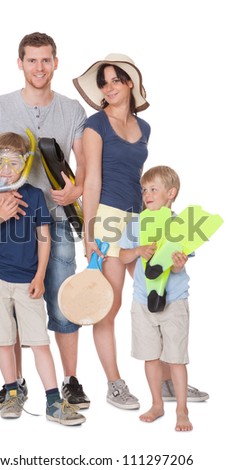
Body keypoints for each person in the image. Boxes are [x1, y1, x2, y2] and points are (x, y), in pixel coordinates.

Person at [73, 54, 209, 408]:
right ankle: (115, 384)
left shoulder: (143, 127)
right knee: (111, 304)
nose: (109, 87)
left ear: (130, 83)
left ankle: (167, 380)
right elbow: (92, 181)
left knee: (156, 290)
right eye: (103, 82)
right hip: (107, 219)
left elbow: (139, 178)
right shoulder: (95, 124)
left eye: (115, 79)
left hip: (142, 219)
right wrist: (89, 237)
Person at [0, 32, 90, 410]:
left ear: (56, 62)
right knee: (11, 307)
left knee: (60, 301)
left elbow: (84, 162)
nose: (38, 67)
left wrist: (77, 190)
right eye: (31, 60)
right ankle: (16, 385)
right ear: (20, 63)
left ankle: (70, 382)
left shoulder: (72, 110)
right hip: (9, 220)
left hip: (53, 220)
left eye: (45, 60)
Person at [0, 132, 86, 425]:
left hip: (27, 281)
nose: (5, 169)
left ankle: (53, 401)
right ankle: (11, 393)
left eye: (13, 162)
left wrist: (40, 276)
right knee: (4, 341)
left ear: (25, 163)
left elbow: (44, 238)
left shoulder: (34, 196)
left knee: (38, 342)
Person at [119, 165, 193, 431]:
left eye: (154, 189)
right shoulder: (136, 223)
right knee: (150, 356)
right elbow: (122, 256)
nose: (147, 194)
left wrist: (177, 265)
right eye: (144, 190)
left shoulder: (180, 225)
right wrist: (138, 250)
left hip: (174, 300)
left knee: (175, 358)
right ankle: (157, 404)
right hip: (142, 299)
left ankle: (182, 410)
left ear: (170, 193)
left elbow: (178, 267)